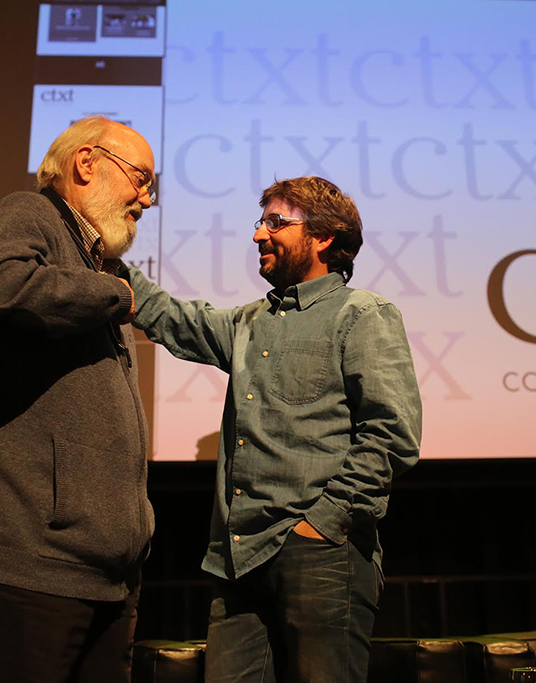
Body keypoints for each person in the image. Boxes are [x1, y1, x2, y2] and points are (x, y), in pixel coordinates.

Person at [129, 176, 422, 682]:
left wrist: (322, 523)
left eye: (275, 222)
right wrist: (99, 250)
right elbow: (168, 316)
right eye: (260, 222)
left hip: (320, 553)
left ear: (325, 237)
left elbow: (391, 434)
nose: (259, 235)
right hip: (236, 558)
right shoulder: (250, 322)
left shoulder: (362, 315)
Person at [0, 116, 156, 683]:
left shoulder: (92, 260)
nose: (146, 201)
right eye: (140, 179)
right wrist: (116, 292)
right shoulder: (28, 215)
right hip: (27, 565)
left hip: (100, 572)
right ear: (86, 163)